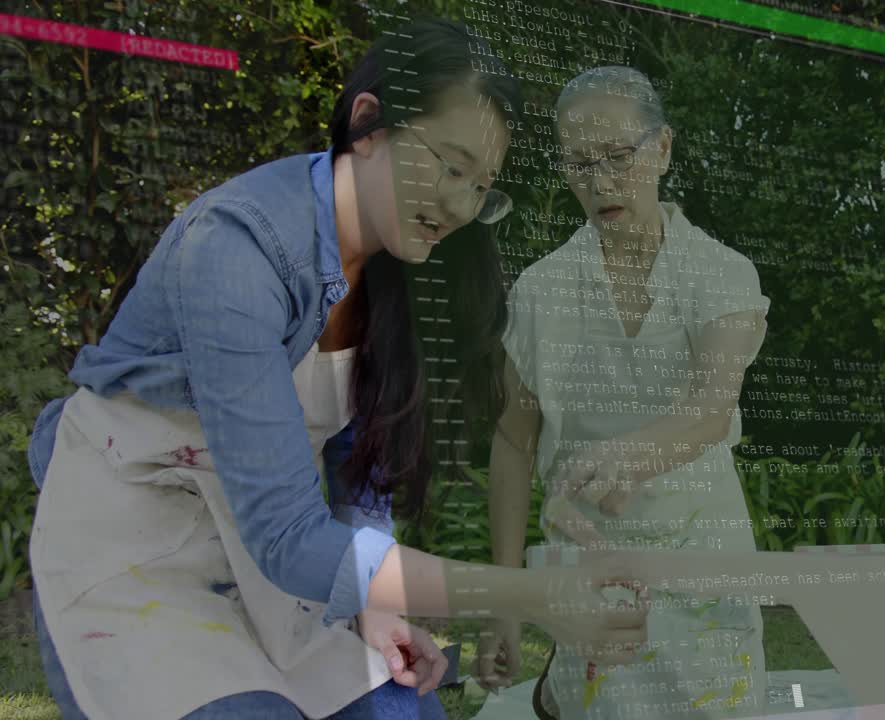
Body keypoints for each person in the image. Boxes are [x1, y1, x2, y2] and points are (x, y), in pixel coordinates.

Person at [26, 20, 648, 720]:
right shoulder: (236, 251)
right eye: (449, 167)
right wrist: (533, 595)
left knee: (403, 710)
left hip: (272, 557)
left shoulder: (398, 268)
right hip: (135, 545)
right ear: (368, 124)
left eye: (481, 186)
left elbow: (360, 467)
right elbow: (291, 538)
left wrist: (374, 607)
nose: (459, 207)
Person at [478, 66, 772, 720]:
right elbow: (511, 441)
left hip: (703, 564)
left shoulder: (722, 274)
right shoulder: (540, 291)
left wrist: (617, 459)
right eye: (579, 163)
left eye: (618, 157)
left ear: (662, 149)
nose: (600, 181)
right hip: (593, 570)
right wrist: (504, 601)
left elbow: (707, 411)